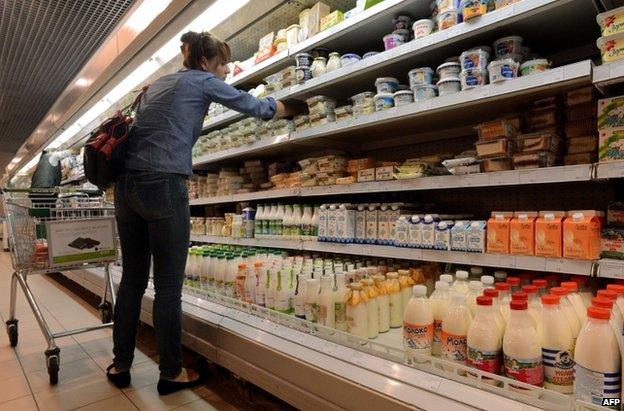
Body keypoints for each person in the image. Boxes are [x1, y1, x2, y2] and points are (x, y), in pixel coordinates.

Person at [107, 30, 300, 395]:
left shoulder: (159, 84)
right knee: (167, 285)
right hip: (164, 185)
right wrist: (289, 105)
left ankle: (120, 364)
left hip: (126, 189)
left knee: (132, 279)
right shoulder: (203, 81)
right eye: (224, 63)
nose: (226, 71)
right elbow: (256, 107)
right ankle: (171, 372)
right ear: (208, 61)